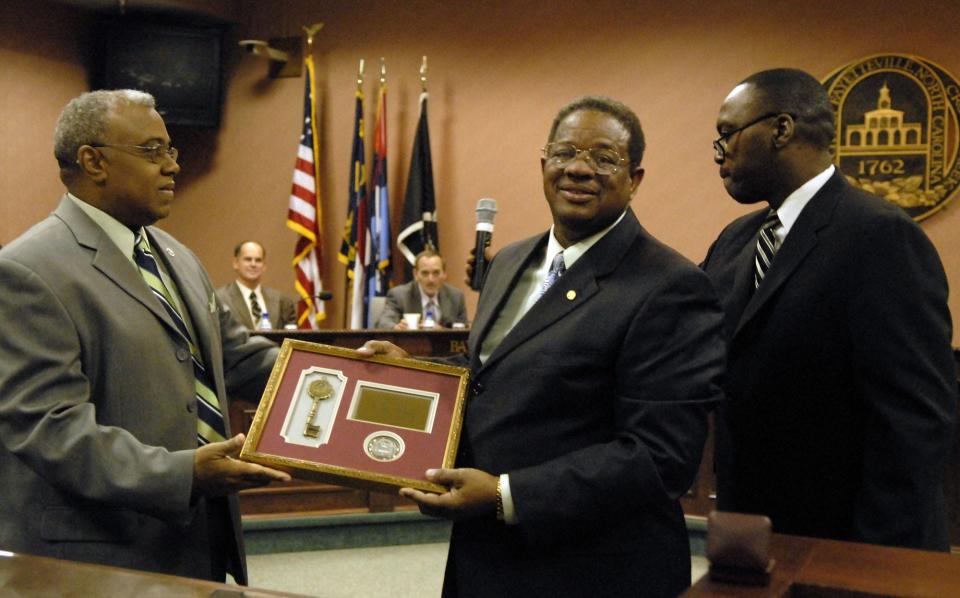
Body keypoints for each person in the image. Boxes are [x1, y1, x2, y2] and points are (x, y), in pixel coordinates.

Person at [359, 96, 726, 597]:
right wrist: (417, 371)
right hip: (484, 556)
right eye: (566, 153)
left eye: (604, 158)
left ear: (635, 179)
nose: (579, 168)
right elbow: (494, 368)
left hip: (591, 570)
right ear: (543, 164)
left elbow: (659, 457)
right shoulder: (509, 261)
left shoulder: (671, 286)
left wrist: (506, 496)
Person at [0, 89, 291, 583]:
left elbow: (240, 357)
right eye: (152, 151)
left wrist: (348, 374)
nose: (172, 166)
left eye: (170, 150)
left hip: (199, 540)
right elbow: (50, 430)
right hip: (99, 558)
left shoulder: (176, 256)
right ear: (93, 161)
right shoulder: (27, 270)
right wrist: (185, 474)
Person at [702, 68, 958, 551]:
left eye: (727, 135)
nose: (720, 155)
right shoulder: (737, 240)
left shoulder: (880, 236)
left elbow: (914, 419)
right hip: (751, 534)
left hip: (851, 541)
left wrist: (871, 557)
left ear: (780, 130)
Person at [374, 249, 468, 329]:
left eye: (436, 273)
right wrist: (397, 327)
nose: (430, 279)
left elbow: (463, 330)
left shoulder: (456, 297)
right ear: (415, 274)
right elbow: (383, 322)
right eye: (425, 273)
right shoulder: (399, 295)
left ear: (444, 274)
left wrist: (441, 331)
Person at [216, 240, 297, 330]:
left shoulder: (282, 301)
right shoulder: (220, 299)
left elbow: (291, 339)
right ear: (235, 263)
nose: (253, 264)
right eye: (248, 259)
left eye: (258, 260)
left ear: (264, 266)